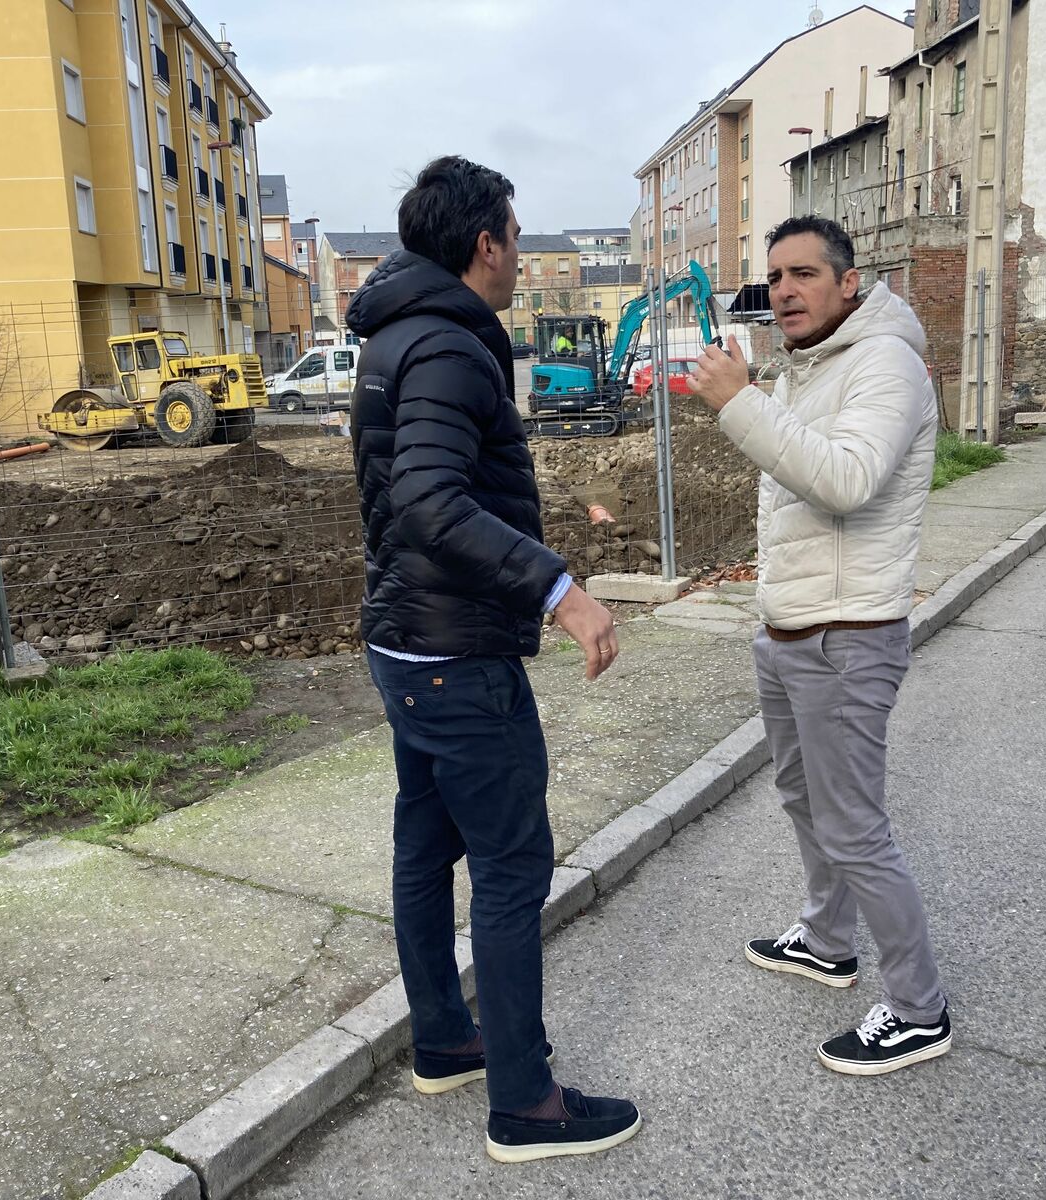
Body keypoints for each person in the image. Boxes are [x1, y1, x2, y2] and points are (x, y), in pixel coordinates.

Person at [345, 155, 641, 1162]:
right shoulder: (447, 346)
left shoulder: (392, 336)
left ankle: (444, 1040)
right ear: (485, 244)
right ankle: (525, 1103)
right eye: (515, 239)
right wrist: (559, 590)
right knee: (512, 868)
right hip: (456, 652)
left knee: (425, 849)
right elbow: (430, 502)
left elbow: (401, 497)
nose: (519, 257)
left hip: (403, 638)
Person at [687, 215, 950, 1077]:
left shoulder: (885, 363)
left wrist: (740, 402)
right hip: (791, 630)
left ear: (850, 282)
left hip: (848, 635)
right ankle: (829, 939)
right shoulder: (810, 366)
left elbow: (845, 481)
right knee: (803, 797)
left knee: (854, 824)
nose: (786, 292)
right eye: (776, 278)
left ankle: (919, 1008)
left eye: (804, 274)